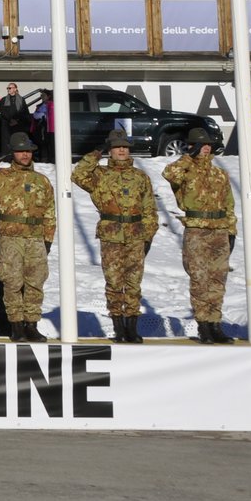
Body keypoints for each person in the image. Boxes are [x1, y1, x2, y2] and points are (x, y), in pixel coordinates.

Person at [70, 129, 158, 343]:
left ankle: (132, 326)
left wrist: (148, 236)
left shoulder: (140, 177)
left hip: (136, 234)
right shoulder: (99, 175)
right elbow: (78, 175)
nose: (121, 150)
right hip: (111, 235)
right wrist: (96, 154)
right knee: (114, 282)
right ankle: (119, 326)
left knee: (134, 283)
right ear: (110, 150)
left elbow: (149, 209)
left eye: (125, 147)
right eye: (117, 147)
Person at [0, 132, 54, 342]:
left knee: (35, 283)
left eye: (28, 151)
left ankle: (31, 325)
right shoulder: (0, 176)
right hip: (10, 238)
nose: (25, 155)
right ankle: (16, 326)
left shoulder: (41, 181)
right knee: (12, 283)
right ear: (12, 153)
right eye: (20, 151)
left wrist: (48, 240)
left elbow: (50, 213)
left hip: (35, 238)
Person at [162, 127, 238, 344]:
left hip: (219, 229)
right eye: (200, 144)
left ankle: (215, 324)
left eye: (208, 145)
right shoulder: (184, 170)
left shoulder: (220, 174)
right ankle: (203, 325)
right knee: (199, 278)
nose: (206, 148)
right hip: (196, 230)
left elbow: (229, 204)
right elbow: (169, 173)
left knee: (218, 278)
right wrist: (188, 157)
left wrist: (231, 230)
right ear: (192, 146)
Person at [0, 83, 29, 153]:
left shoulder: (21, 100)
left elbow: (25, 112)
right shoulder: (4, 99)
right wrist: (10, 120)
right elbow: (3, 111)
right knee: (6, 142)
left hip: (18, 124)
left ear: (15, 89)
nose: (8, 89)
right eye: (7, 88)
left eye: (10, 88)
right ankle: (7, 157)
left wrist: (17, 120)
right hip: (7, 124)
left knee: (17, 140)